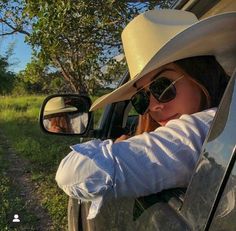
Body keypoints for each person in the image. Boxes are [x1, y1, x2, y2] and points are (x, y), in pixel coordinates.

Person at [55, 9, 236, 219]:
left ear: (201, 74)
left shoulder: (209, 125)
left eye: (162, 86)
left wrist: (119, 146)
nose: (153, 106)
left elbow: (75, 173)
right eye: (141, 98)